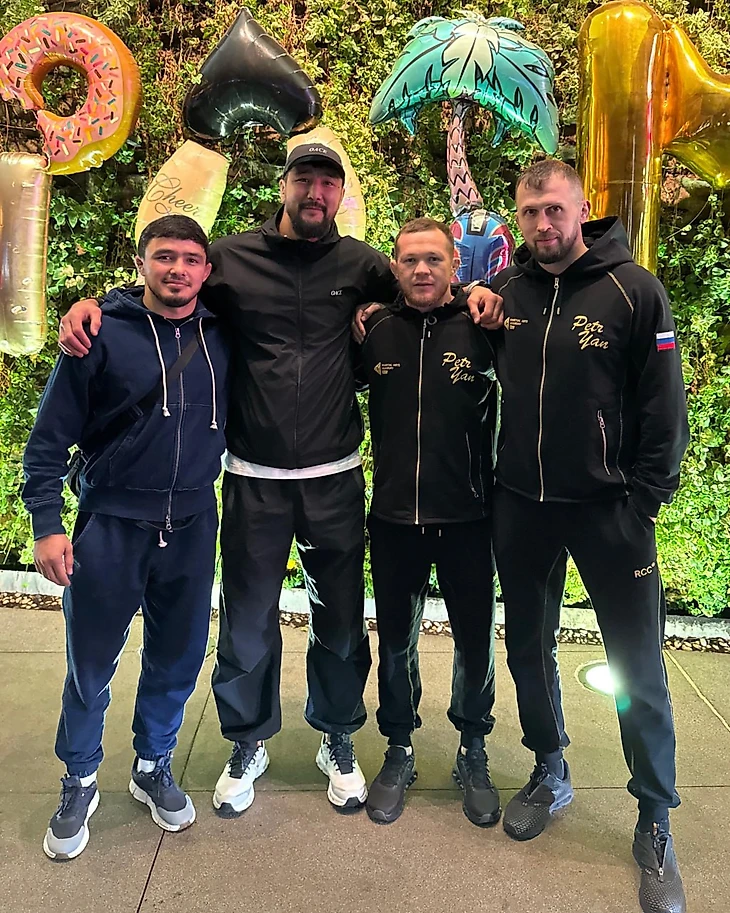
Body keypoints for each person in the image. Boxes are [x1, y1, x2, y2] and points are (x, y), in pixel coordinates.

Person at [58, 144, 503, 817]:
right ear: (285, 184)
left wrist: (474, 293)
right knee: (246, 624)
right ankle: (247, 741)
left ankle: (338, 737)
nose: (316, 192)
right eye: (305, 179)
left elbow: (427, 293)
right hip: (254, 478)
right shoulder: (232, 258)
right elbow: (167, 290)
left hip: (334, 477)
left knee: (341, 621)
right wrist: (98, 302)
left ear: (339, 193)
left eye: (328, 182)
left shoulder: (361, 264)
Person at [490, 160, 688, 913]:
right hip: (523, 506)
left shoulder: (634, 290)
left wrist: (644, 506)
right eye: (530, 211)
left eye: (554, 209)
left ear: (581, 210)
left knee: (637, 668)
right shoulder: (506, 292)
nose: (543, 223)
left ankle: (655, 816)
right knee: (527, 649)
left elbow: (664, 409)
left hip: (610, 513)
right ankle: (550, 768)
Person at [23, 215, 229, 859]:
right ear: (141, 265)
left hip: (192, 524)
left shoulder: (225, 334)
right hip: (110, 525)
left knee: (178, 658)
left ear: (207, 271)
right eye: (163, 257)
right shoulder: (98, 335)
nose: (177, 270)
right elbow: (48, 440)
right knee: (90, 663)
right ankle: (80, 778)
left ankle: (152, 764)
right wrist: (47, 525)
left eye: (190, 259)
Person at [359, 218, 500, 827]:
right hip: (394, 517)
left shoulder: (485, 328)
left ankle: (473, 747)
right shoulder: (374, 331)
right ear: (395, 267)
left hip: (469, 516)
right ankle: (399, 748)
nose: (421, 269)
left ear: (454, 266)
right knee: (395, 641)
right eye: (410, 260)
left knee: (474, 640)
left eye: (434, 259)